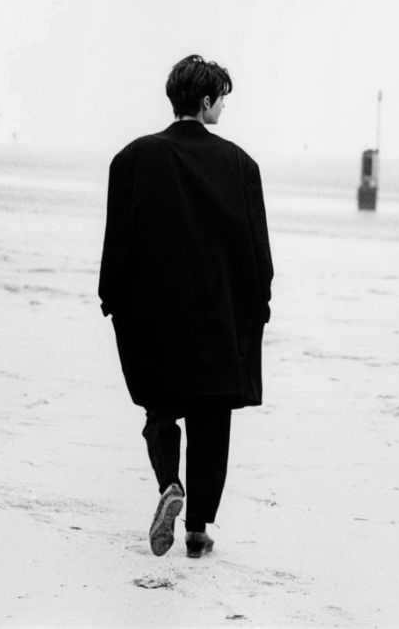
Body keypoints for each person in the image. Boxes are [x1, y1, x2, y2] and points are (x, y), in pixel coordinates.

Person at [98, 54, 273, 558]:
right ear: (206, 100)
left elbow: (118, 246)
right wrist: (257, 308)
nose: (223, 107)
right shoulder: (242, 165)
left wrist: (113, 302)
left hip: (154, 316)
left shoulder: (131, 159)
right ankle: (198, 531)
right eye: (222, 98)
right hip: (218, 319)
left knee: (160, 409)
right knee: (212, 420)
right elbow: (257, 255)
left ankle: (169, 485)